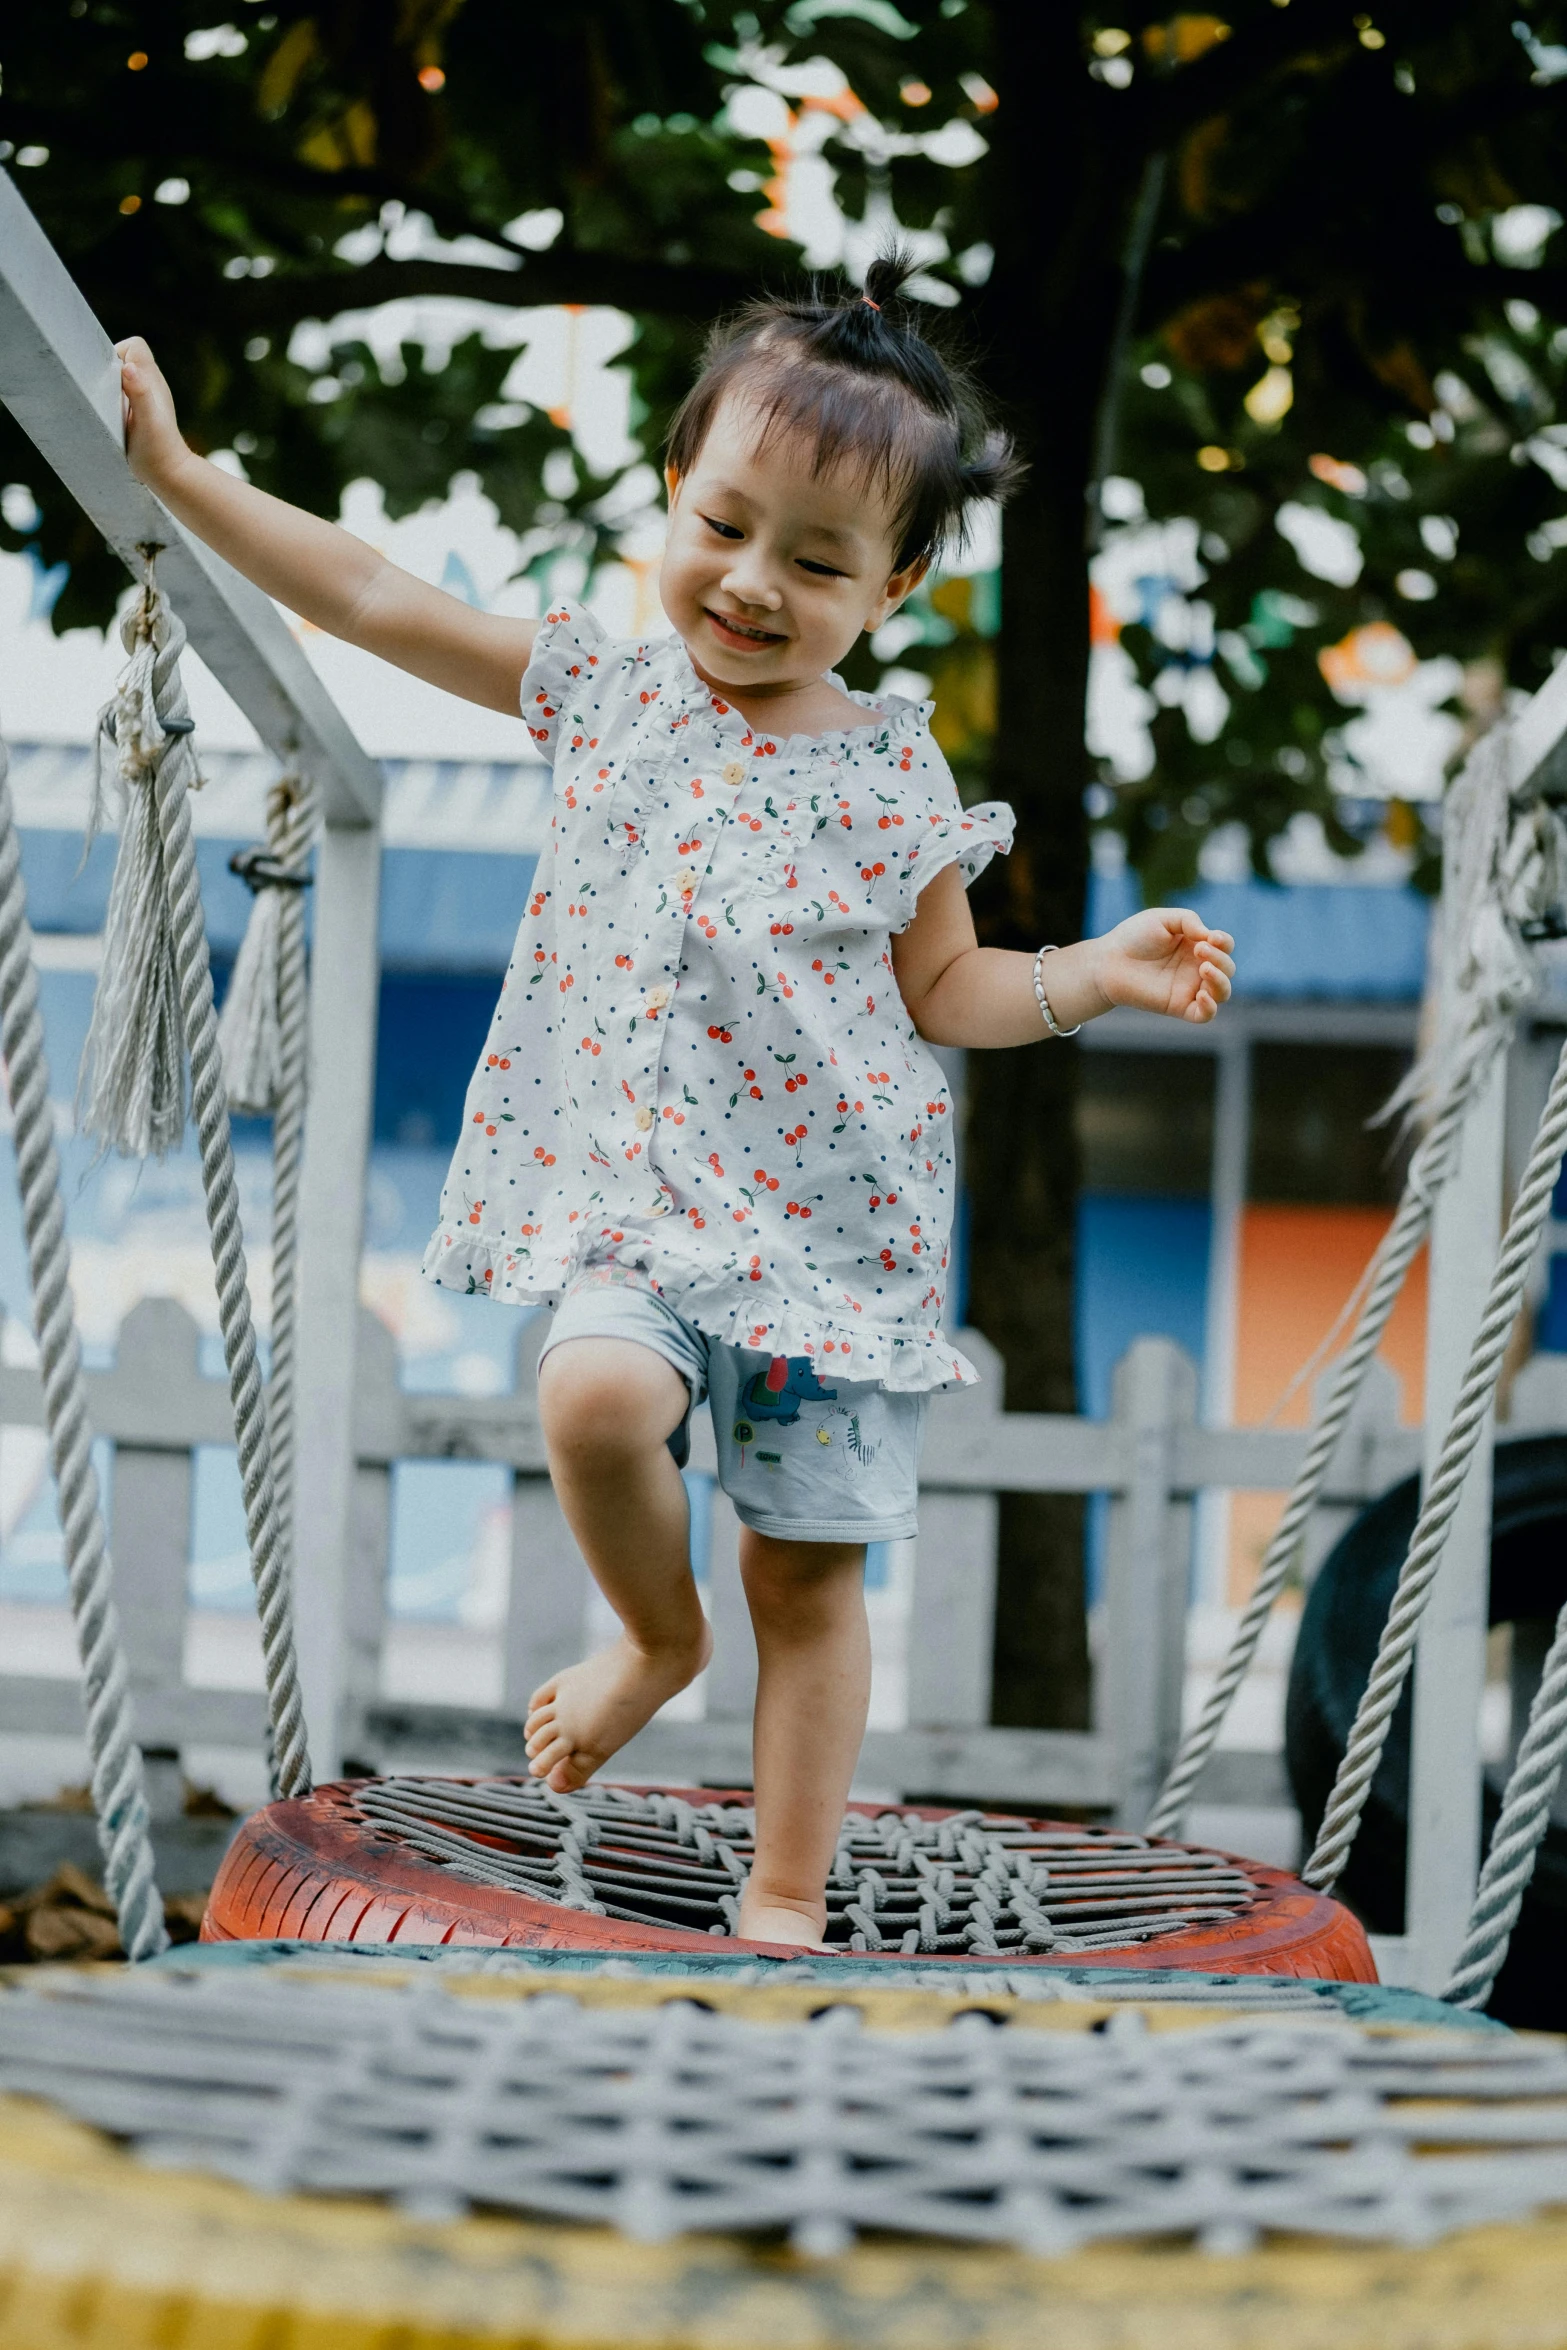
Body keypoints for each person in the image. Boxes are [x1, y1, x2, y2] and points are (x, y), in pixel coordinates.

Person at [117, 251, 1234, 1950]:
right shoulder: (603, 691)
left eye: (816, 558)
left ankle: (786, 1895)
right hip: (634, 1205)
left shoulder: (888, 769)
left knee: (806, 1575)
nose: (750, 584)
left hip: (832, 1252)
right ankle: (651, 1635)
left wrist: (1090, 969)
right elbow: (371, 595)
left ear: (896, 581)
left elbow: (950, 991)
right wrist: (192, 484)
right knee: (591, 1400)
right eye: (723, 526)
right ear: (671, 490)